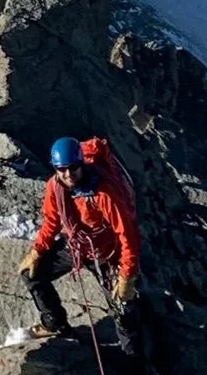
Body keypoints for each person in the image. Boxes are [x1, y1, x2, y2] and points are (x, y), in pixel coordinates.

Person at [25, 134, 143, 357]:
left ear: (82, 165)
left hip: (109, 254)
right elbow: (52, 221)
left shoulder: (104, 193)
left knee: (124, 313)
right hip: (78, 247)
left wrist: (127, 275)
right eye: (62, 169)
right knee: (32, 274)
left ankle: (137, 372)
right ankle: (54, 323)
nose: (68, 174)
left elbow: (128, 235)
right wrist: (38, 250)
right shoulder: (55, 186)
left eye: (73, 168)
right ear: (55, 169)